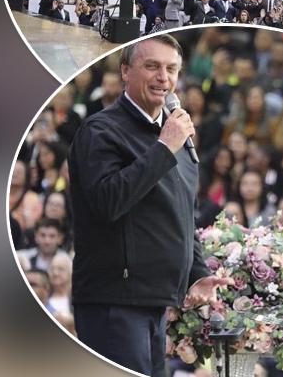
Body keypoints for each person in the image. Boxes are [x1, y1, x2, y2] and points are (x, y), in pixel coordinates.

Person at [68, 35, 227, 376]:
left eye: (171, 69)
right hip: (114, 300)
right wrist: (164, 148)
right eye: (152, 66)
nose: (163, 77)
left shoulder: (175, 134)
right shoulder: (101, 130)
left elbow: (184, 214)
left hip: (157, 302)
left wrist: (197, 274)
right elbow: (108, 202)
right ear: (125, 71)